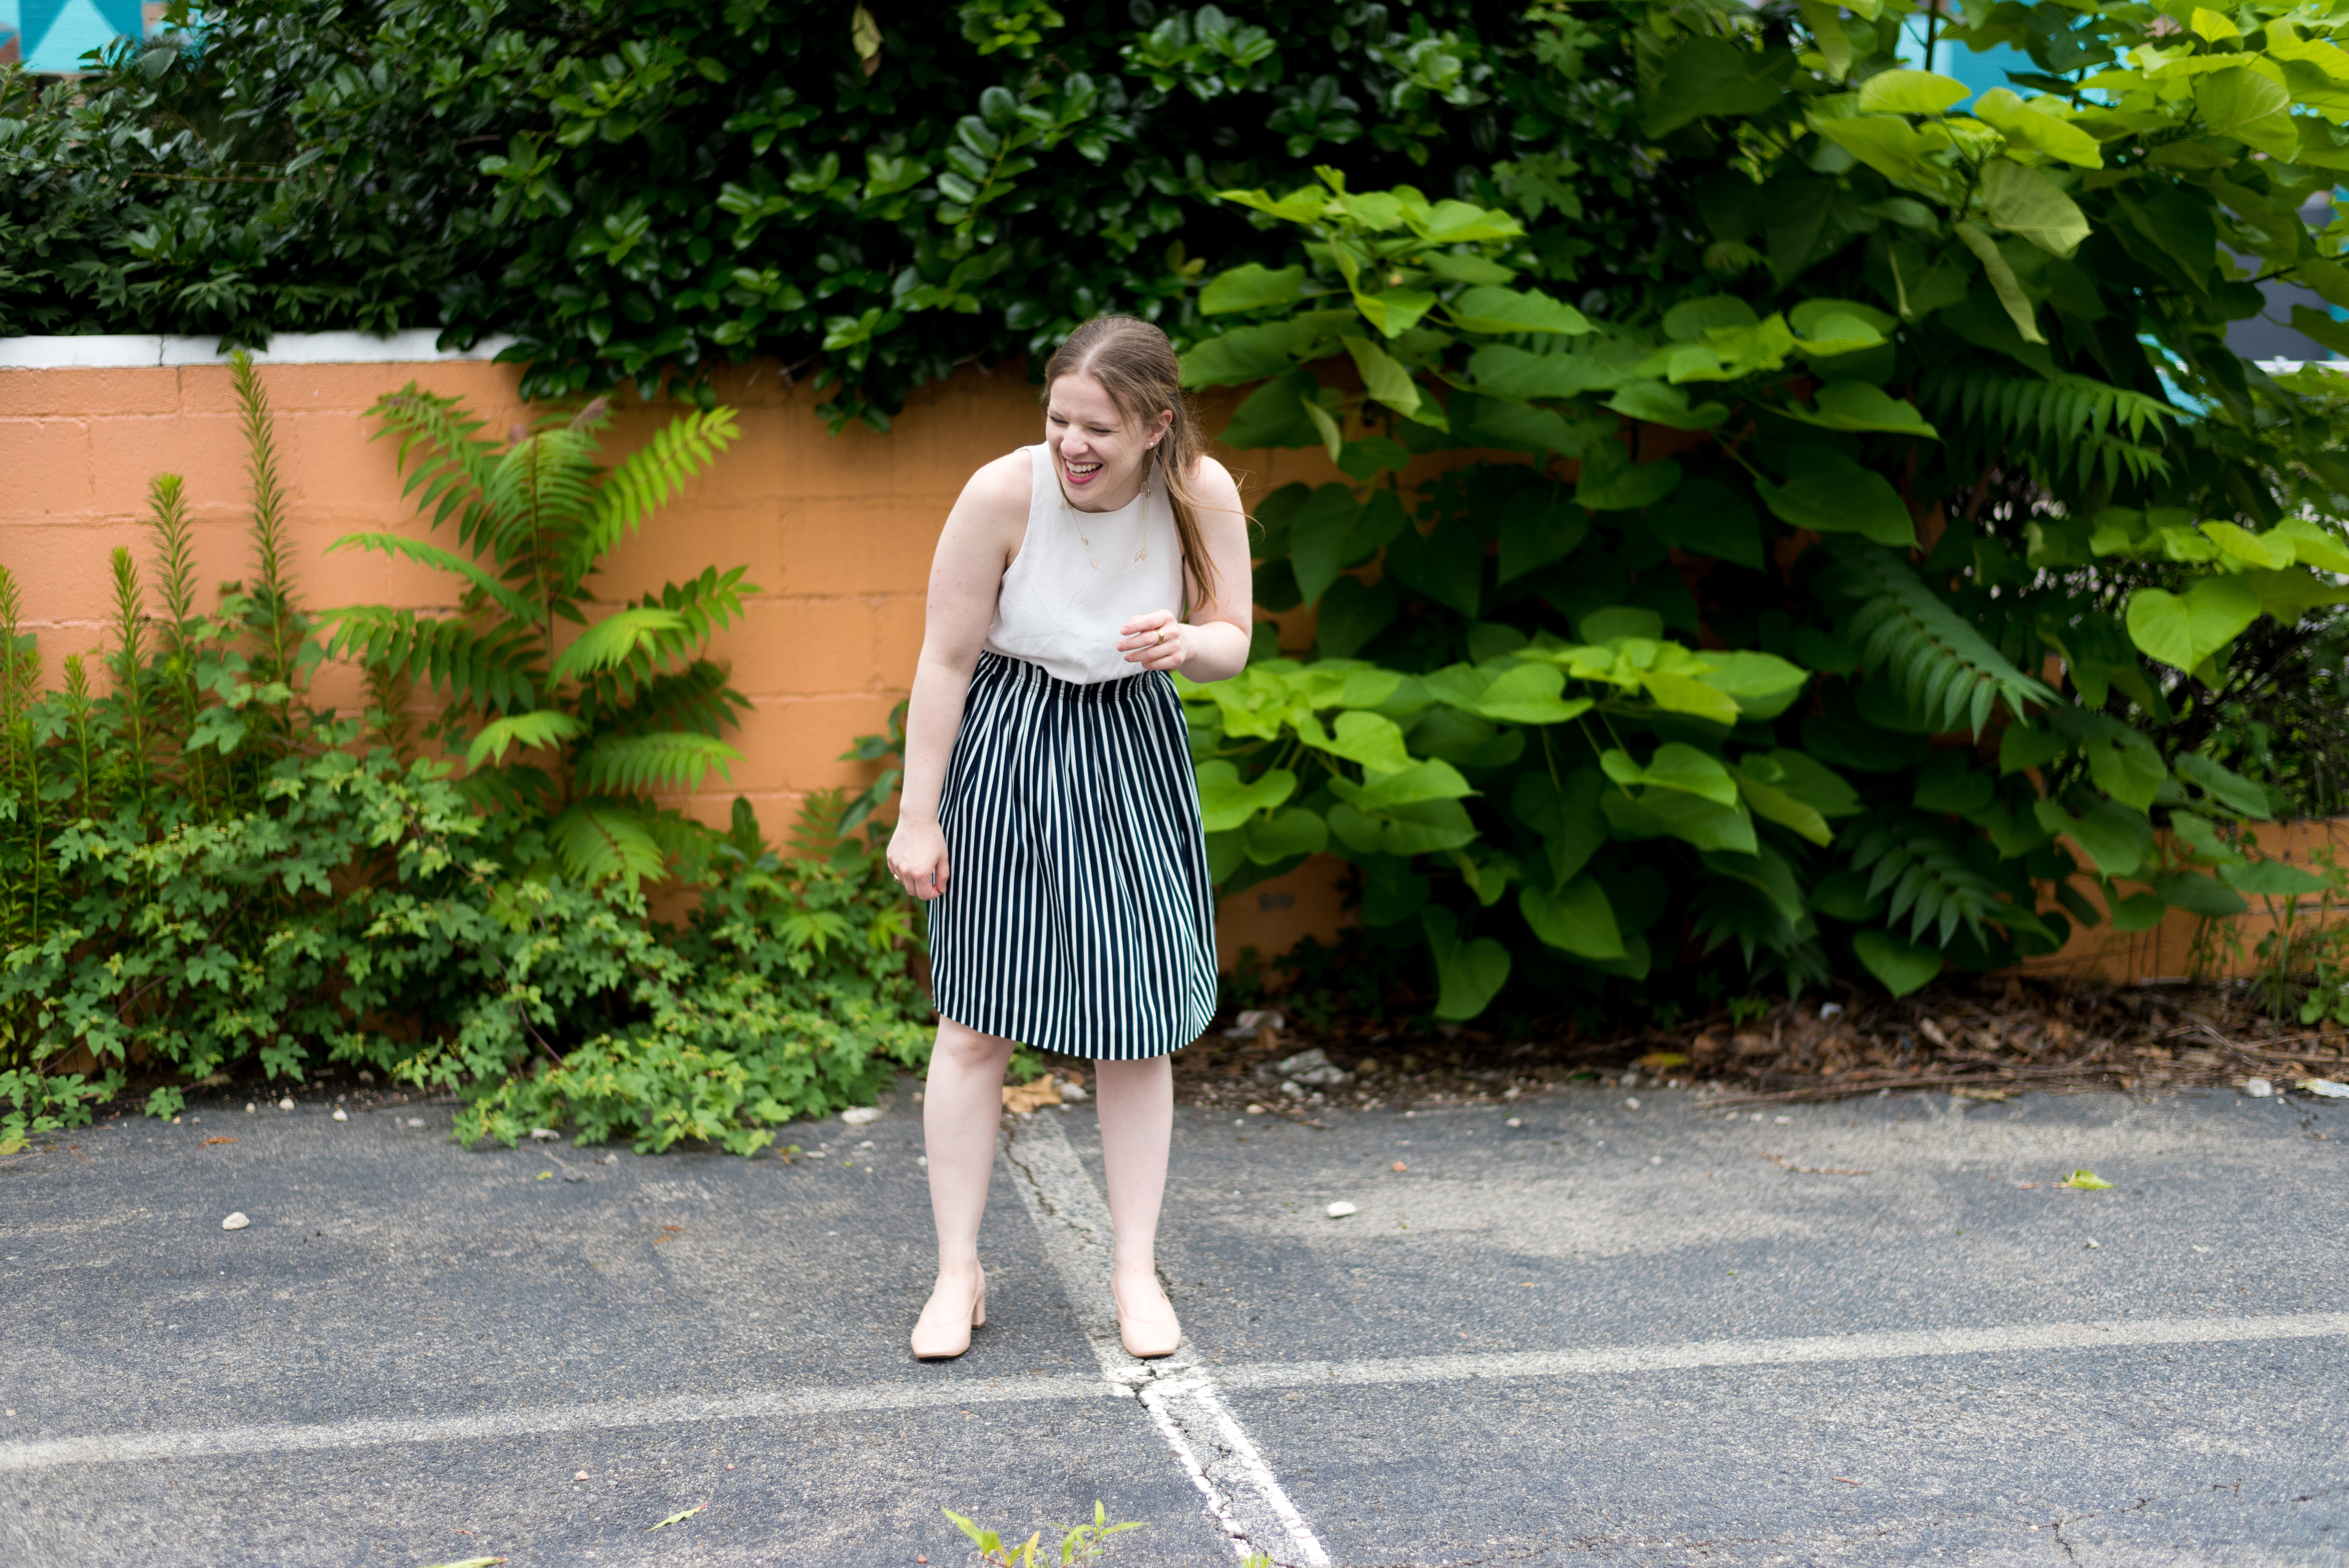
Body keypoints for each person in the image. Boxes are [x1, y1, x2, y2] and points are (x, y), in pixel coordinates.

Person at [885, 315, 1253, 1361]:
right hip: (1007, 739)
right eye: (1058, 419)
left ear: (1155, 425)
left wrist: (1190, 642)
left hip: (1132, 743)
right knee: (973, 1019)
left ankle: (1135, 1270)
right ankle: (958, 1270)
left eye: (1097, 427)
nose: (1072, 446)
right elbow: (945, 660)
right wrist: (921, 815)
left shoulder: (1201, 492)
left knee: (1136, 1026)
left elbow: (1232, 642)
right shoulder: (1003, 491)